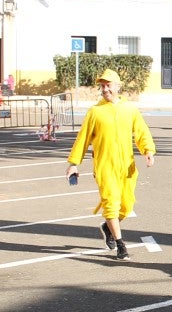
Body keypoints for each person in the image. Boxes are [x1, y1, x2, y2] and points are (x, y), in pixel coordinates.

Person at [65, 69, 157, 260]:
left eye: (108, 85)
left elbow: (141, 131)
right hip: (105, 167)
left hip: (127, 167)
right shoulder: (95, 112)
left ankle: (107, 227)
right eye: (102, 86)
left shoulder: (130, 109)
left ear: (117, 87)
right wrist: (74, 163)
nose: (105, 89)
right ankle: (121, 245)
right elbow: (82, 139)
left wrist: (148, 151)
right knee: (111, 205)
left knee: (126, 205)